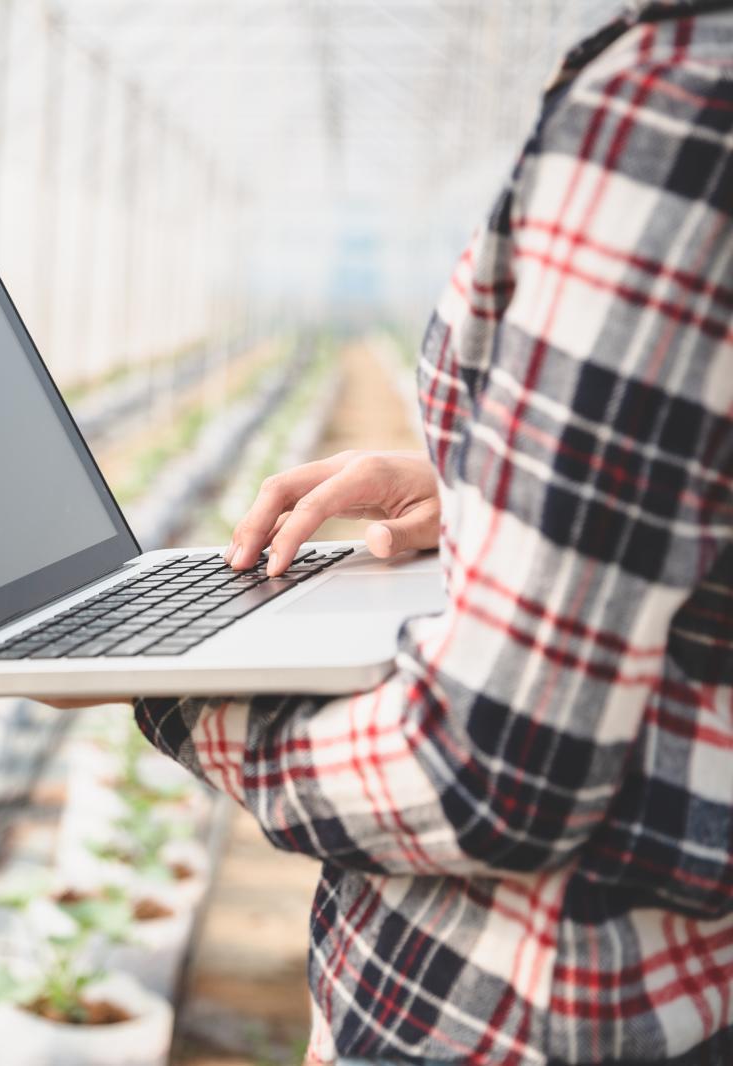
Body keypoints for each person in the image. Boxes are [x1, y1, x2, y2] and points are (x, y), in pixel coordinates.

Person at [48, 2, 733, 1062]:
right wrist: (490, 498)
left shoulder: (671, 102)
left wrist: (167, 685)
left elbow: (491, 771)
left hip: (512, 1009)